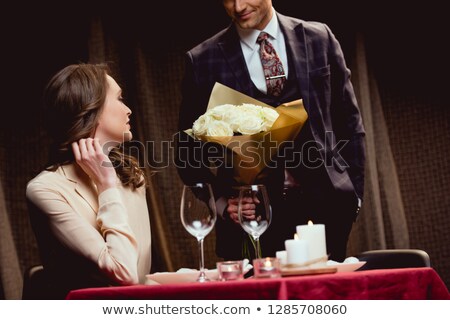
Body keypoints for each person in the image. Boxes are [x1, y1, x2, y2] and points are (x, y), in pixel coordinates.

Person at [176, 0, 365, 262]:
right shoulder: (202, 60)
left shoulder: (319, 38)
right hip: (250, 222)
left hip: (326, 213)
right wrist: (221, 204)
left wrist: (352, 198)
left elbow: (350, 125)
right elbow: (186, 153)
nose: (238, 6)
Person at [26, 63, 151, 299]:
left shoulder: (132, 177)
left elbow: (141, 275)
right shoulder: (45, 189)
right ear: (91, 109)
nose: (128, 110)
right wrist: (106, 185)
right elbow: (125, 273)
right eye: (119, 98)